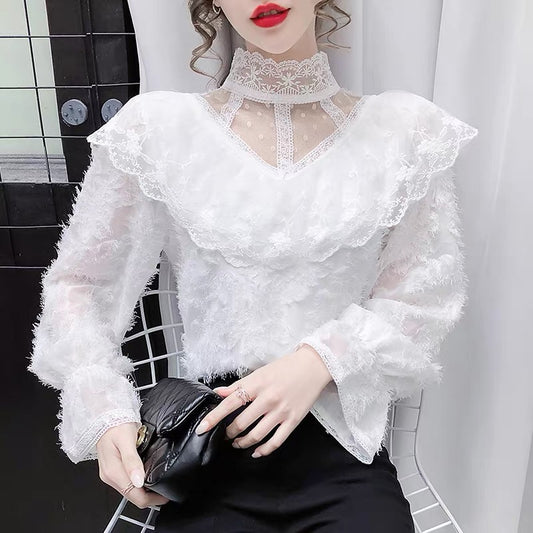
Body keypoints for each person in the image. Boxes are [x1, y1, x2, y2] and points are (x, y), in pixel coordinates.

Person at [27, 0, 479, 531]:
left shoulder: (403, 131)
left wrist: (318, 361)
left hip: (343, 457)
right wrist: (105, 412)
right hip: (206, 457)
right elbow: (81, 285)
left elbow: (423, 295)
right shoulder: (158, 131)